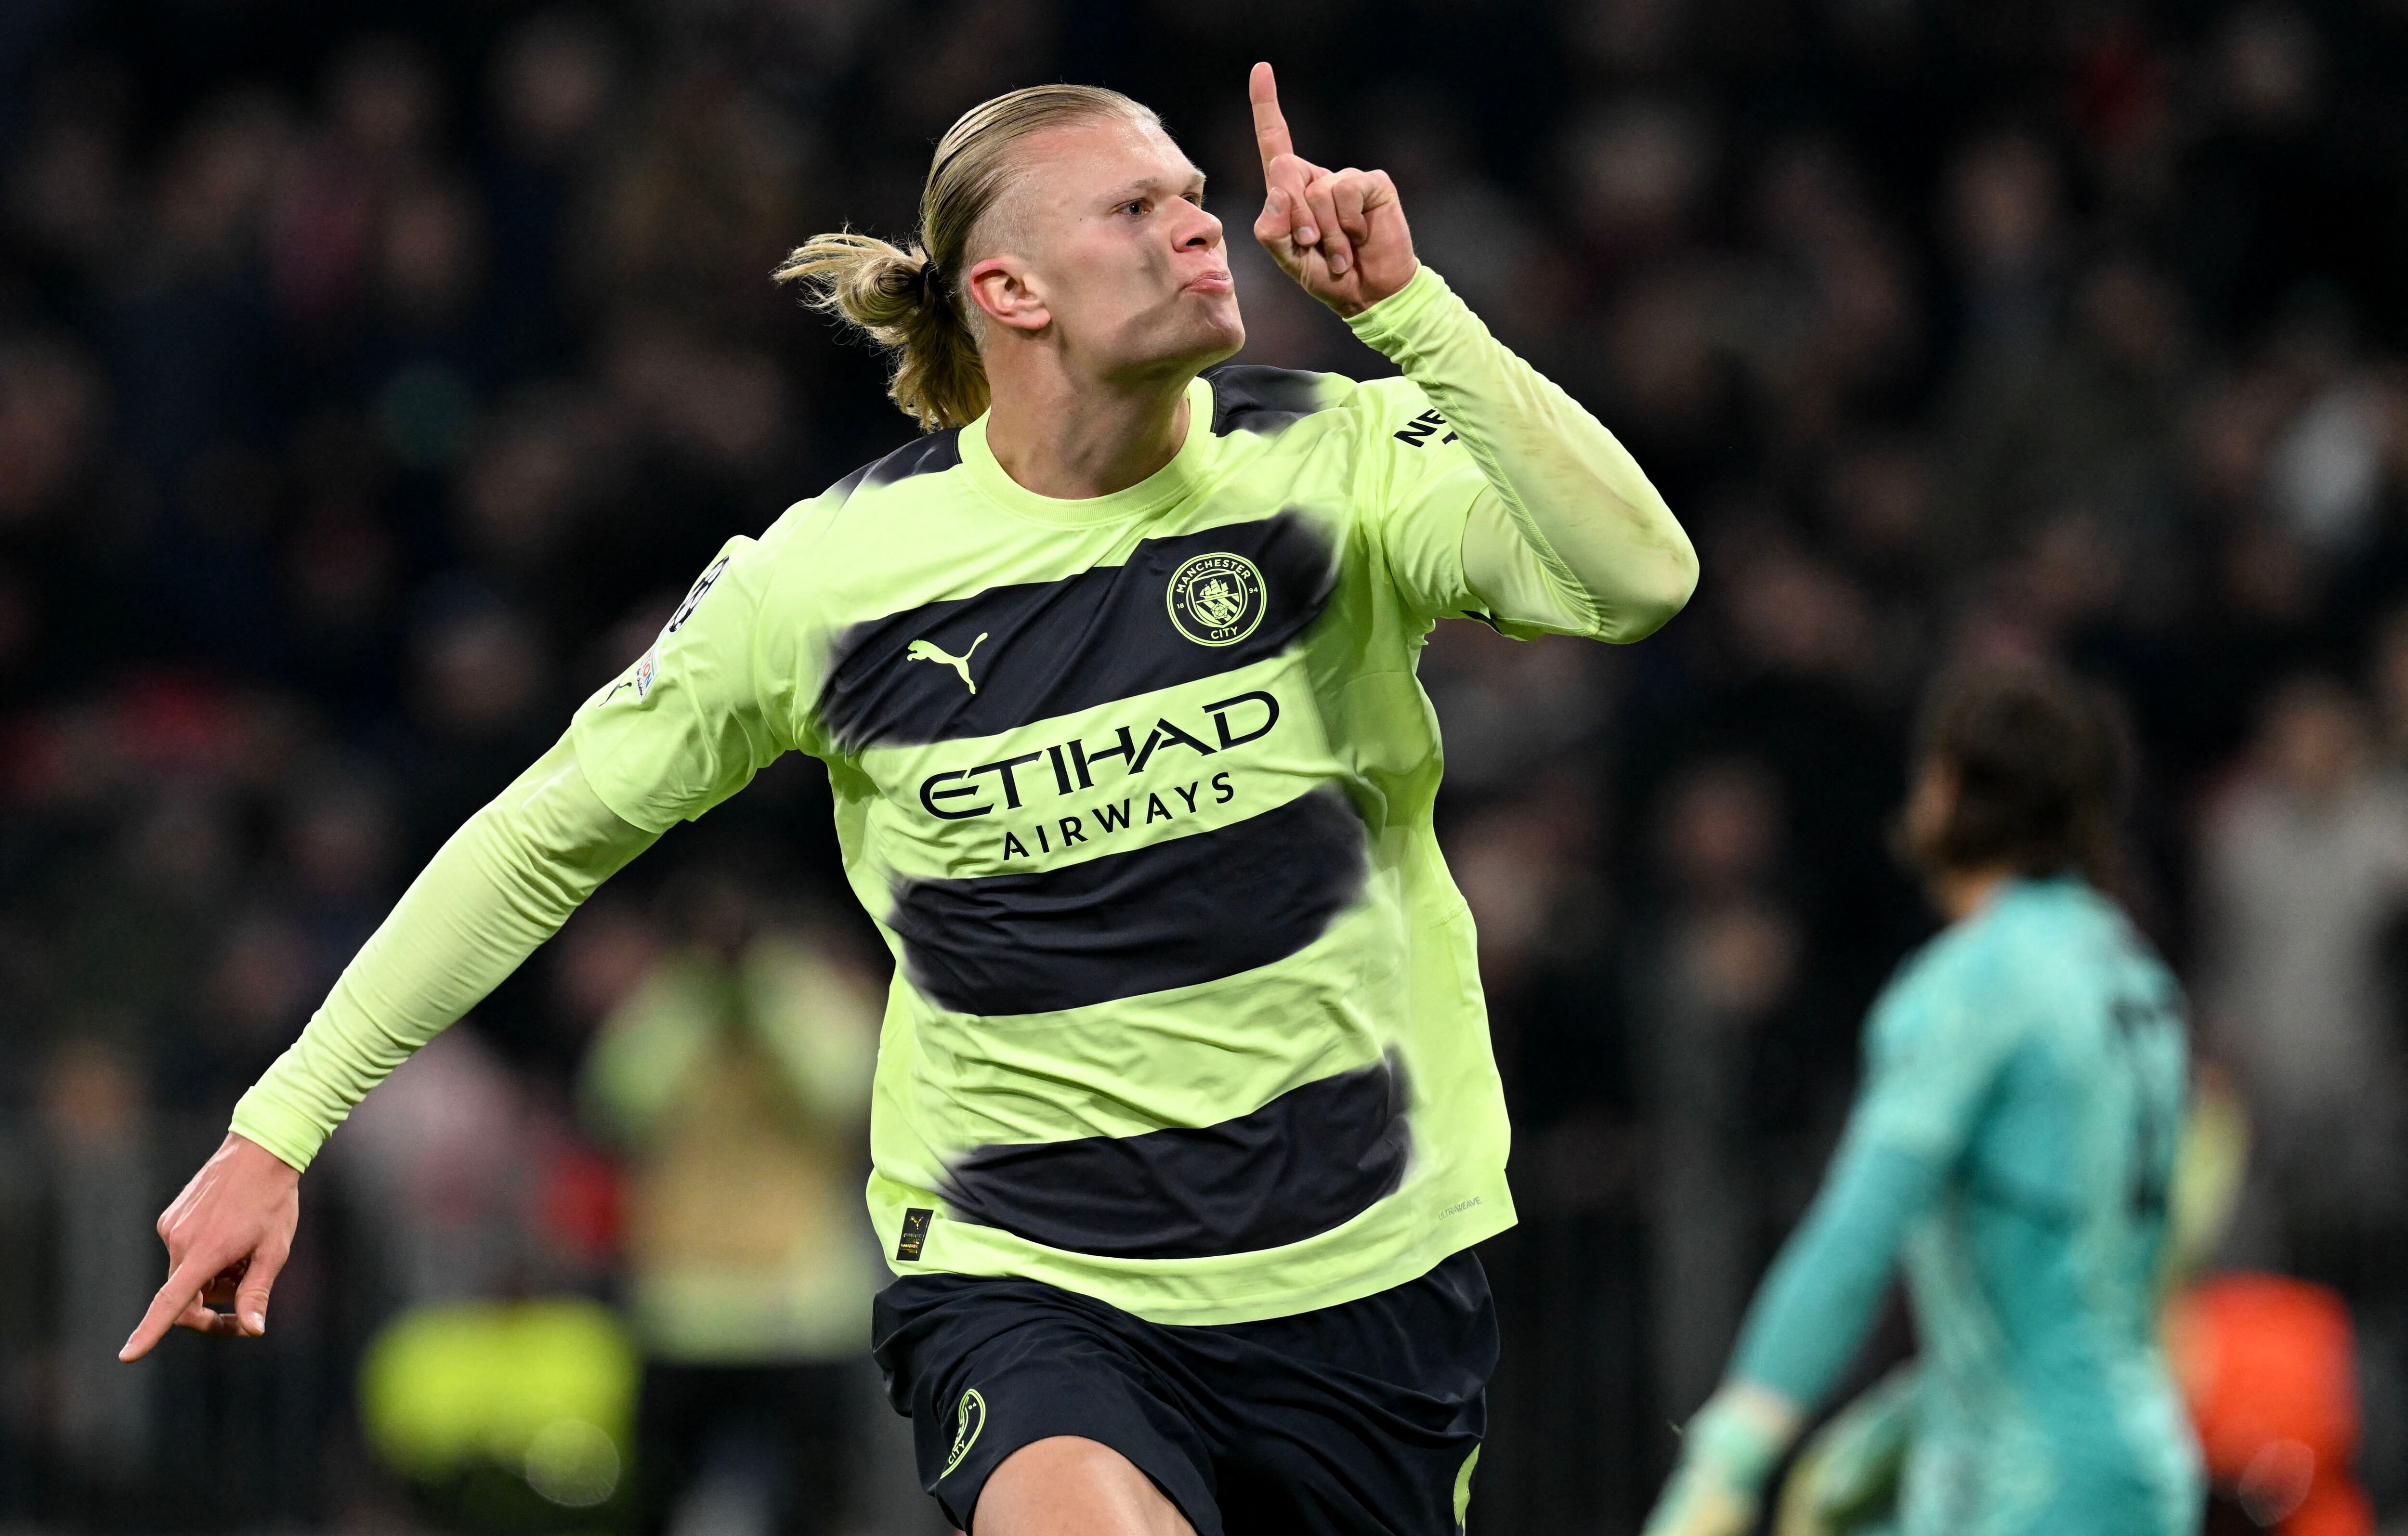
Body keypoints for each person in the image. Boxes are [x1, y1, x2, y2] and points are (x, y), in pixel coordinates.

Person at [122, 65, 1698, 1536]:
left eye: (1194, 192)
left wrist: (1417, 317)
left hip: (1366, 1263)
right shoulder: (828, 580)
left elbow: (1640, 581)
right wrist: (280, 1126)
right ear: (1008, 290)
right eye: (1134, 207)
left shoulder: (1339, 460)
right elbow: (546, 836)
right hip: (1035, 1269)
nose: (1199, 222)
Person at [1641, 665, 2202, 1536]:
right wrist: (1924, 1410)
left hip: (2027, 1479)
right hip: (2143, 1456)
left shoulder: (1973, 982)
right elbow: (2073, 1271)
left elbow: (1855, 1233)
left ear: (1945, 789)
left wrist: (1730, 1452)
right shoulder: (2138, 979)